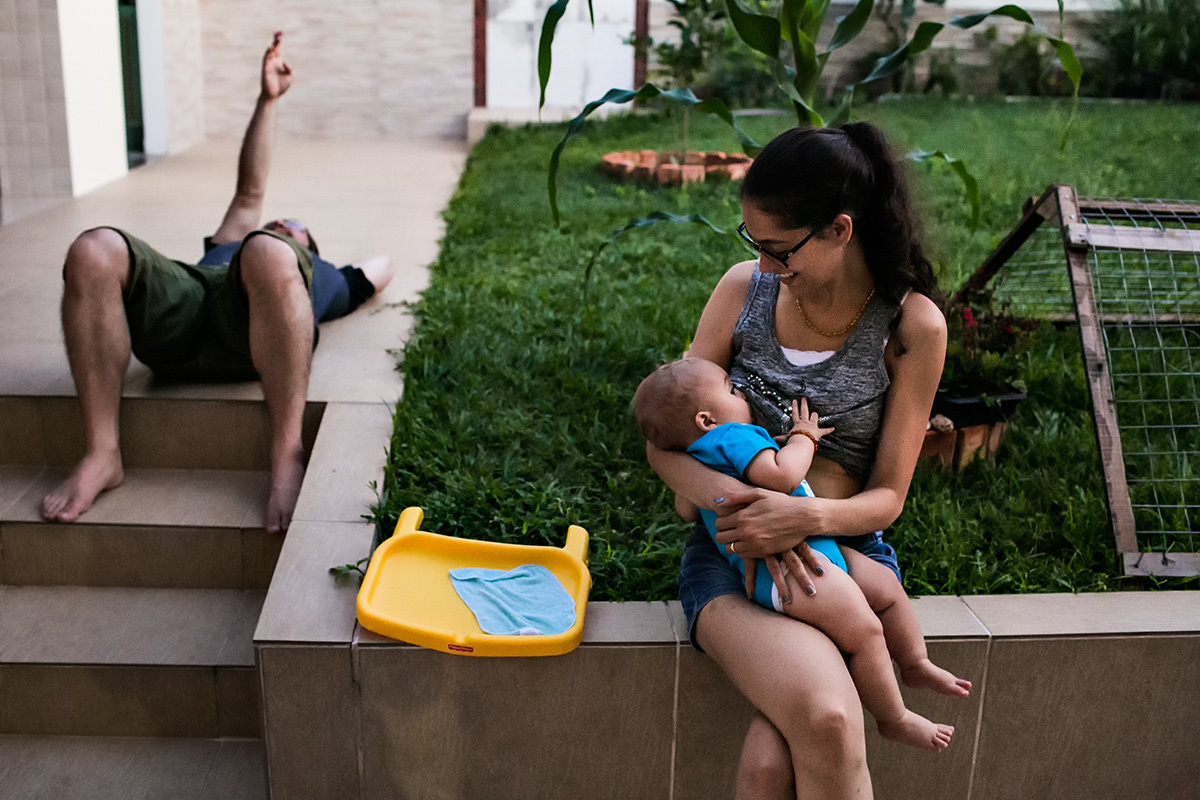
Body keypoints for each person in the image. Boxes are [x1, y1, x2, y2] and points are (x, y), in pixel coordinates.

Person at [647, 121, 966, 799]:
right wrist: (735, 505)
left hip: (842, 558)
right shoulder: (742, 292)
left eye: (779, 249)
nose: (764, 265)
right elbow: (664, 442)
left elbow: (888, 497)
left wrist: (799, 517)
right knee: (821, 721)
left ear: (840, 231)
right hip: (729, 557)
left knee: (779, 759)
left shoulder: (911, 328)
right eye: (753, 244)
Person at [40, 32, 392, 534]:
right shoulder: (237, 239)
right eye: (279, 222)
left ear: (311, 253)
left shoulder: (327, 278)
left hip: (247, 333)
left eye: (297, 230)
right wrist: (267, 100)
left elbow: (382, 267)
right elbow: (251, 189)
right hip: (185, 310)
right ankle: (102, 453)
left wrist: (332, 272)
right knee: (93, 248)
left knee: (268, 256)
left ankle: (286, 454)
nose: (283, 225)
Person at [635, 357, 958, 751]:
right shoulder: (734, 435)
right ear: (707, 420)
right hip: (794, 571)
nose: (743, 394)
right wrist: (804, 437)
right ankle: (894, 717)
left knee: (884, 586)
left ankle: (914, 663)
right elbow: (782, 475)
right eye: (732, 390)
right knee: (866, 630)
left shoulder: (699, 455)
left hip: (809, 554)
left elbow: (686, 509)